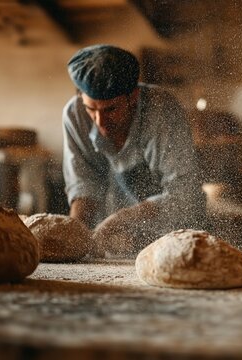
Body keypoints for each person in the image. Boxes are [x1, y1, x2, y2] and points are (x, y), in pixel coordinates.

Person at [62, 44, 206, 256]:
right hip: (116, 240)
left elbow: (185, 196)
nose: (100, 121)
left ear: (134, 96)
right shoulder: (74, 115)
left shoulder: (161, 110)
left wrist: (124, 218)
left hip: (178, 240)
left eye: (111, 109)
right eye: (91, 109)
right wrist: (74, 238)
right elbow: (83, 183)